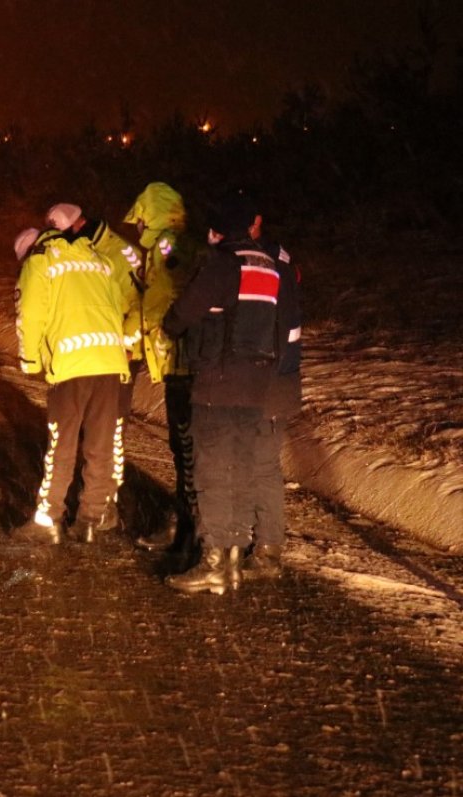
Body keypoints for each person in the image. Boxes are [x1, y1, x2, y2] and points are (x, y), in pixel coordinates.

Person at [159, 191, 295, 595]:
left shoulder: (221, 266)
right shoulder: (269, 267)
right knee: (241, 473)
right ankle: (234, 560)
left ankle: (215, 561)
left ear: (217, 230)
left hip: (217, 385)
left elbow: (178, 317)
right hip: (256, 388)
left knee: (214, 475)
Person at [10, 204, 132, 545]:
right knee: (100, 445)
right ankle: (91, 519)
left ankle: (48, 519)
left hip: (72, 364)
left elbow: (30, 316)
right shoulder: (96, 258)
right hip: (109, 362)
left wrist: (31, 362)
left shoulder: (40, 262)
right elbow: (117, 303)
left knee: (61, 445)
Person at [122, 183, 201, 553]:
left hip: (184, 361)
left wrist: (130, 331)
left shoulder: (168, 243)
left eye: (140, 219)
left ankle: (191, 528)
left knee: (188, 449)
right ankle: (187, 524)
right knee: (183, 448)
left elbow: (163, 294)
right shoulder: (169, 243)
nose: (137, 228)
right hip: (178, 360)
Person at [49, 205, 143, 505]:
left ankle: (105, 504)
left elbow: (144, 304)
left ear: (77, 226)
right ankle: (93, 499)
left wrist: (125, 345)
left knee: (109, 432)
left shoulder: (121, 253)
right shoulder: (87, 251)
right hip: (97, 353)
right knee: (92, 431)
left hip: (121, 355)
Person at [244, 212, 302, 580]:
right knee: (253, 461)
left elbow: (275, 327)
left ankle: (267, 550)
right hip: (273, 376)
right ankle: (256, 541)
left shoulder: (265, 264)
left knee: (263, 464)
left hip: (268, 379)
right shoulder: (278, 259)